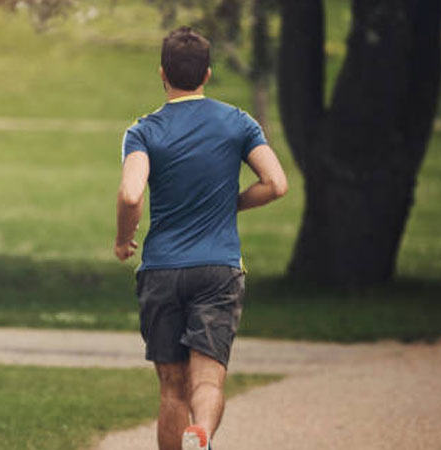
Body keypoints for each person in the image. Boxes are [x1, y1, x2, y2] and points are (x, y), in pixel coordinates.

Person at [113, 27, 288, 450]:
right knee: (207, 380)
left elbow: (131, 194)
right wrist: (230, 205)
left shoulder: (143, 131)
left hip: (162, 270)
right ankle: (202, 435)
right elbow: (276, 183)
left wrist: (123, 239)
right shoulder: (238, 122)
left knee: (172, 388)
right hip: (218, 268)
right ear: (207, 74)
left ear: (162, 73)